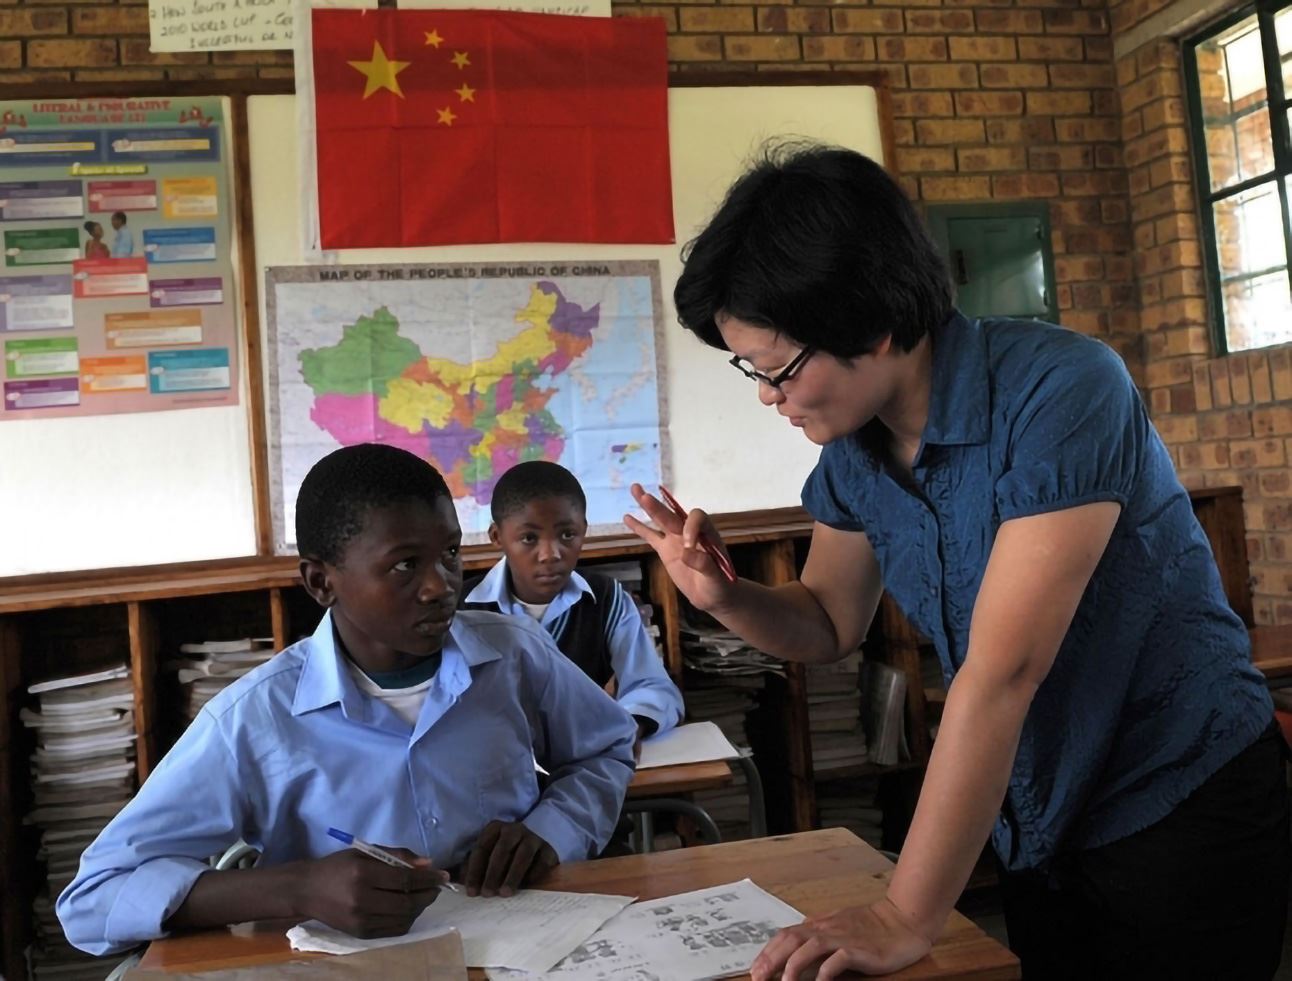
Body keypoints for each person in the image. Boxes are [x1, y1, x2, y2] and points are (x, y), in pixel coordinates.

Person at [626, 143, 1287, 981]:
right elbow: (828, 619)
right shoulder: (854, 455)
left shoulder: (1064, 390)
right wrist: (725, 596)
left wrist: (905, 912)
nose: (767, 395)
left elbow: (1002, 672)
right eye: (750, 371)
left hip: (1178, 795)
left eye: (780, 369)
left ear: (872, 321)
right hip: (1039, 810)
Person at [58, 444, 636, 956]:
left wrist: (550, 829)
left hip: (525, 949)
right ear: (320, 582)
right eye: (405, 565)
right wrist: (298, 887)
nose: (441, 585)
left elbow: (606, 749)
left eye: (451, 555)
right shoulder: (255, 719)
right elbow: (91, 899)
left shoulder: (514, 654)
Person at [462, 460, 683, 755]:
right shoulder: (462, 609)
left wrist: (629, 725)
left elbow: (653, 687)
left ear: (584, 530)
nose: (550, 554)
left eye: (567, 535)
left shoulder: (606, 599)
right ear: (497, 537)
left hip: (584, 762)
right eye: (529, 538)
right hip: (493, 766)